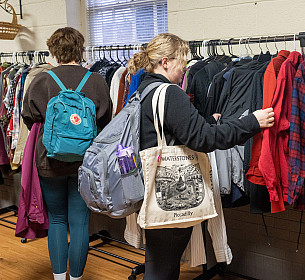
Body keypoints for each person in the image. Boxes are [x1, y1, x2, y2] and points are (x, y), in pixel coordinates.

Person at [128, 33, 274, 280]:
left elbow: (170, 129)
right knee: (163, 268)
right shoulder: (170, 93)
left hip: (150, 187)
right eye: (183, 62)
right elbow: (204, 140)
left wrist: (206, 121)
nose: (185, 69)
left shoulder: (144, 89)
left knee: (159, 261)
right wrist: (252, 122)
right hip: (171, 190)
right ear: (165, 62)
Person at [21, 27, 112, 280]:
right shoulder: (96, 81)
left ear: (54, 50)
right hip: (86, 162)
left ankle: (59, 277)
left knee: (58, 220)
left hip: (49, 160)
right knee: (80, 222)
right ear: (80, 50)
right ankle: (77, 278)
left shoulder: (42, 79)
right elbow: (105, 120)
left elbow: (29, 117)